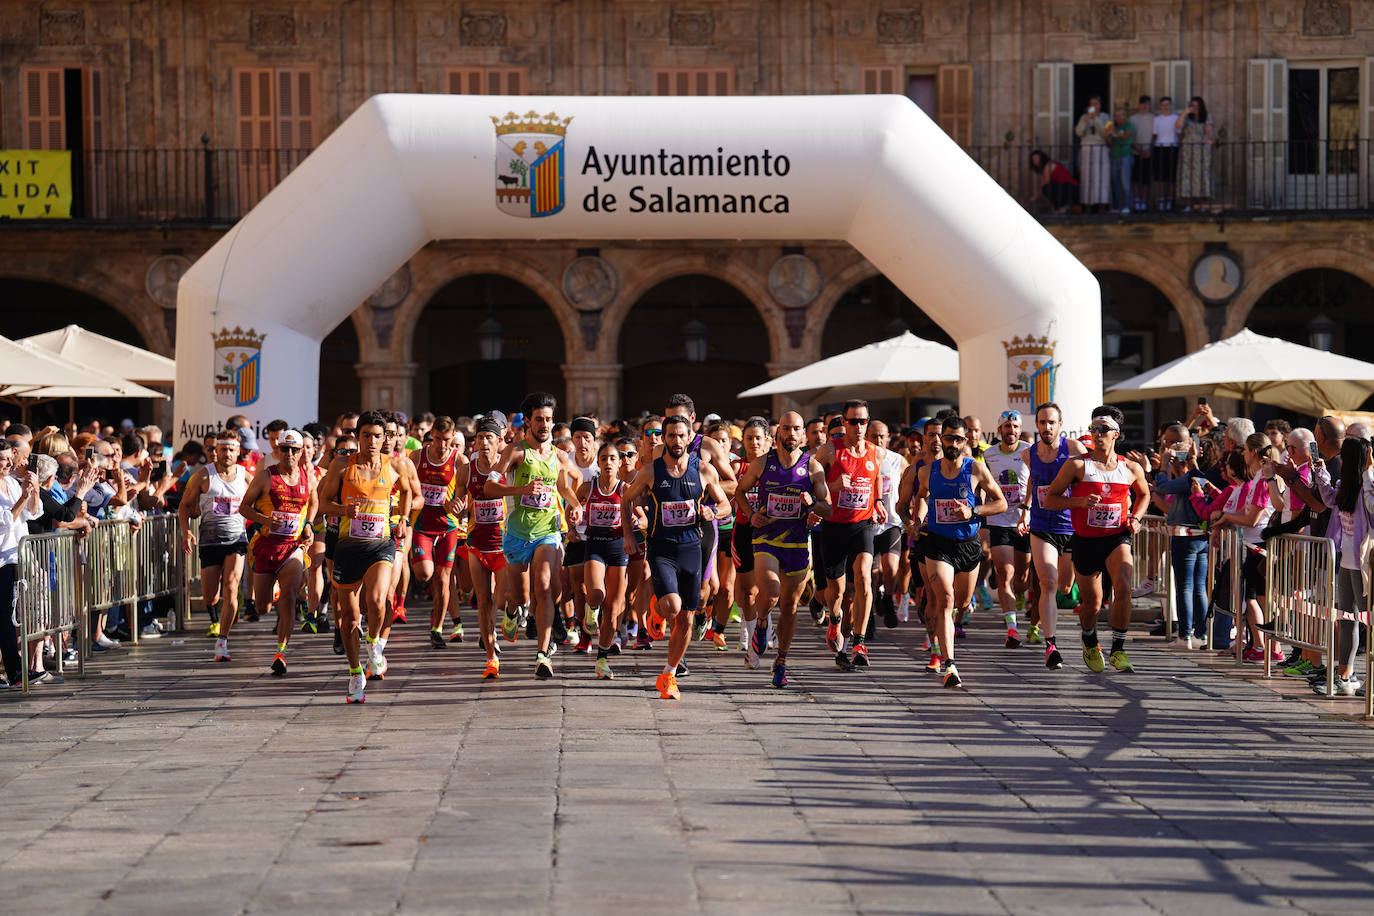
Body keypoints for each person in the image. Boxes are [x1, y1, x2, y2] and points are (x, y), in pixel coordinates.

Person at [621, 414, 726, 700]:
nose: (677, 441)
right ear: (664, 439)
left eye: (682, 435)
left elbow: (725, 503)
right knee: (673, 606)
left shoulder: (704, 470)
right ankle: (658, 606)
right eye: (671, 436)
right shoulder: (652, 471)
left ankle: (669, 673)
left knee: (687, 619)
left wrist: (713, 512)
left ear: (690, 438)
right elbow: (627, 498)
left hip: (692, 549)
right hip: (662, 549)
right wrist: (629, 536)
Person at [1043, 407, 1151, 673]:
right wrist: (1079, 501)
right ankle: (1089, 640)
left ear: (1116, 434)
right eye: (1093, 429)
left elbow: (1144, 495)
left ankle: (1118, 649)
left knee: (1124, 586)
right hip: (1086, 541)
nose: (1097, 434)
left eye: (1103, 430)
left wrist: (1136, 518)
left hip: (1117, 537)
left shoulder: (1131, 468)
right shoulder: (1077, 465)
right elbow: (1050, 499)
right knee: (1091, 602)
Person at [486, 392, 583, 679]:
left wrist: (575, 507)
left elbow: (566, 487)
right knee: (519, 595)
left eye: (549, 420)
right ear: (527, 421)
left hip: (547, 531)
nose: (545, 425)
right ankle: (514, 611)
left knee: (544, 587)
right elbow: (490, 489)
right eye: (539, 419)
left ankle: (543, 654)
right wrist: (520, 491)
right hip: (516, 534)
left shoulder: (559, 455)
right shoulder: (515, 452)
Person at [911, 415, 1008, 688]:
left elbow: (1000, 503)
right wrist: (918, 520)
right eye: (948, 437)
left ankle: (947, 631)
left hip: (968, 545)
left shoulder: (976, 469)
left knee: (961, 604)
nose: (952, 443)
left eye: (958, 439)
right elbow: (921, 498)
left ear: (965, 441)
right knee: (945, 599)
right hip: (938, 544)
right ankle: (949, 664)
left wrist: (973, 510)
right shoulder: (926, 472)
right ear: (940, 439)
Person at [736, 411, 832, 687]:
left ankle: (780, 661)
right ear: (778, 433)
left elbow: (827, 507)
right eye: (786, 429)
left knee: (790, 608)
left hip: (798, 543)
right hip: (765, 539)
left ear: (803, 434)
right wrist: (751, 514)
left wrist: (812, 502)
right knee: (772, 592)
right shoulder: (762, 463)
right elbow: (740, 492)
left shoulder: (813, 468)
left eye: (796, 429)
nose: (791, 434)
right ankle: (762, 622)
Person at [318, 411, 405, 703]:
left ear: (385, 439)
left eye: (377, 436)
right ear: (358, 437)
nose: (371, 441)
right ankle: (355, 672)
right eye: (366, 435)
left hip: (380, 545)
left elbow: (408, 492)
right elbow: (323, 503)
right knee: (349, 619)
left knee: (378, 600)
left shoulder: (394, 466)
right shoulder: (342, 466)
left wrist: (403, 517)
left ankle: (373, 644)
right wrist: (343, 511)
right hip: (347, 547)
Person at [815, 399, 888, 670]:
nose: (858, 426)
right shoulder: (829, 451)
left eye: (863, 421)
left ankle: (859, 641)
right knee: (836, 591)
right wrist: (833, 484)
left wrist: (878, 500)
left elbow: (877, 476)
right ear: (844, 423)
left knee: (865, 577)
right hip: (834, 526)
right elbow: (811, 479)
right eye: (853, 421)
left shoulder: (875, 452)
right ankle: (835, 621)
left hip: (862, 524)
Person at [237, 429, 316, 674]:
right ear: (277, 450)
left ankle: (281, 652)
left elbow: (313, 503)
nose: (289, 454)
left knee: (290, 594)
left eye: (295, 450)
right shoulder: (265, 477)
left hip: (292, 547)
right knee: (262, 608)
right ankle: (276, 590)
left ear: (302, 452)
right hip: (265, 547)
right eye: (285, 449)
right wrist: (265, 520)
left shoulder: (308, 478)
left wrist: (309, 525)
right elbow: (243, 508)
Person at [1312, 437, 1372, 696]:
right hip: (1347, 563)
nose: (1340, 460)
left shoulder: (1368, 486)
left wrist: (1369, 472)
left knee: (1369, 622)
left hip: (1365, 565)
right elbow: (1328, 500)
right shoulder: (1345, 486)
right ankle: (1344, 675)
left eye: (1343, 456)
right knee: (1347, 620)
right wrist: (1320, 471)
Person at [179, 434, 249, 645]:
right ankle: (217, 611)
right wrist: (186, 532)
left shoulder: (245, 476)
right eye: (222, 449)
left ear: (238, 452)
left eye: (231, 450)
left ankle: (223, 639)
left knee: (231, 586)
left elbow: (261, 501)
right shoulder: (203, 476)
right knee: (211, 597)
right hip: (210, 541)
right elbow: (184, 505)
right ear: (215, 451)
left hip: (237, 539)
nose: (226, 454)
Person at [711, 417, 771, 649]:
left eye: (758, 438)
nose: (754, 443)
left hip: (770, 533)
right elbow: (727, 493)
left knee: (768, 586)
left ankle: (765, 624)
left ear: (767, 440)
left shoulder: (775, 466)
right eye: (749, 438)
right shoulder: (737, 467)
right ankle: (749, 632)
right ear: (742, 441)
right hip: (743, 530)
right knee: (746, 590)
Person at [408, 416, 466, 649]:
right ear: (431, 435)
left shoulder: (459, 460)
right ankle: (426, 591)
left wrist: (459, 505)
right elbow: (406, 487)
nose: (443, 445)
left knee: (443, 581)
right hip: (422, 523)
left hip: (448, 527)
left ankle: (437, 628)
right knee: (424, 574)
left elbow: (464, 495)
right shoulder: (417, 457)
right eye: (439, 439)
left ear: (453, 438)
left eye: (447, 440)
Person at [457, 415, 508, 679]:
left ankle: (511, 613)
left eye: (489, 438)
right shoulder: (467, 470)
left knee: (502, 598)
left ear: (500, 442)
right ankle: (491, 658)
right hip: (477, 543)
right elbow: (456, 500)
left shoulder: (509, 467)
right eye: (480, 438)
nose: (484, 443)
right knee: (483, 601)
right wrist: (454, 506)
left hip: (504, 544)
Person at [1151, 424, 1210, 646]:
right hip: (1200, 535)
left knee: (1185, 585)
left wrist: (1164, 467)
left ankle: (1185, 633)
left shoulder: (1189, 479)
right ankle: (1201, 631)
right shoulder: (1201, 474)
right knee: (1198, 586)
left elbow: (1164, 487)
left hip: (1185, 535)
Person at [577, 441, 630, 680]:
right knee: (597, 593)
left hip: (619, 548)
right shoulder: (588, 488)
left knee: (613, 610)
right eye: (604, 458)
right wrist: (572, 522)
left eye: (612, 458)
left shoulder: (627, 489)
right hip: (595, 545)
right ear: (598, 463)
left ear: (619, 463)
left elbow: (642, 518)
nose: (608, 462)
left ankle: (602, 658)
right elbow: (574, 510)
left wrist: (638, 525)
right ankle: (590, 609)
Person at [983, 410, 1031, 648]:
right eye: (1006, 426)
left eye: (1014, 426)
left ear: (1019, 429)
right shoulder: (988, 454)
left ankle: (1021, 593)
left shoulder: (1028, 451)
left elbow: (1036, 481)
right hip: (999, 520)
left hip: (1024, 521)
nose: (1010, 430)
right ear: (999, 429)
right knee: (1006, 573)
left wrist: (1028, 508)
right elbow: (982, 485)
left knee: (1022, 579)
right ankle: (1012, 629)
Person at [0, 440, 41, 688]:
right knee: (4, 617)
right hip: (2, 558)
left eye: (7, 459)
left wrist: (33, 491)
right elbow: (4, 522)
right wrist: (22, 498)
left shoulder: (12, 484)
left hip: (16, 556)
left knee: (10, 616)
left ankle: (16, 670)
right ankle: (15, 671)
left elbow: (33, 514)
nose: (5, 464)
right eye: (0, 460)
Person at [867, 420, 907, 627]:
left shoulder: (897, 460)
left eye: (882, 436)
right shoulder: (862, 459)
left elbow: (909, 486)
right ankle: (870, 616)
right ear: (867, 437)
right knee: (870, 575)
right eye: (874, 436)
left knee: (891, 569)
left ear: (889, 437)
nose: (879, 440)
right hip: (867, 525)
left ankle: (888, 598)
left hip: (891, 522)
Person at [1176, 96, 1214, 211]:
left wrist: (1209, 140)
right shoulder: (1186, 117)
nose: (1195, 108)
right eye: (1193, 105)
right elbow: (1177, 126)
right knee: (1187, 176)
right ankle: (1188, 205)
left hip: (1201, 150)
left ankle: (1200, 205)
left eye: (1197, 105)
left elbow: (1209, 132)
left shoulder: (1206, 116)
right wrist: (1185, 112)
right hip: (1187, 149)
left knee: (1200, 176)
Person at [1074, 96, 1111, 212]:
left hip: (1101, 148)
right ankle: (1088, 205)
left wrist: (1096, 119)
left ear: (1100, 105)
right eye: (1091, 104)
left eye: (1096, 104)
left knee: (1102, 177)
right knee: (1087, 177)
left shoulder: (1106, 117)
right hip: (1086, 148)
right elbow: (1078, 132)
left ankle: (1102, 205)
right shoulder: (1084, 117)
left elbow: (1106, 133)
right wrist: (1086, 120)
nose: (1094, 106)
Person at [1151, 96, 1179, 211]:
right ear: (1160, 106)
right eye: (1163, 105)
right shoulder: (1157, 119)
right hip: (1160, 148)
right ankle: (1161, 201)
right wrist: (1151, 148)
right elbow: (1154, 135)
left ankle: (1170, 201)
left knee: (1172, 178)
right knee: (1160, 178)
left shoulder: (1176, 118)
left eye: (1167, 104)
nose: (1165, 107)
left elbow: (1180, 134)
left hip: (1173, 148)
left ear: (1171, 105)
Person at [1028, 149, 1077, 213]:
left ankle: (1062, 207)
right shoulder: (1046, 167)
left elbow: (1045, 183)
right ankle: (1060, 208)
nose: (1035, 161)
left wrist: (1035, 197)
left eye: (1037, 158)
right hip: (1067, 187)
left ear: (1042, 158)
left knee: (1047, 188)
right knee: (1048, 188)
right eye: (1033, 159)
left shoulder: (1048, 166)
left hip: (1070, 187)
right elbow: (1043, 182)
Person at [1128, 95, 1155, 211]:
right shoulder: (1132, 119)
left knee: (1146, 180)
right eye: (1143, 104)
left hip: (1149, 153)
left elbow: (1155, 135)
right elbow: (1130, 138)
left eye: (1147, 104)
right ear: (1139, 105)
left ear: (1149, 105)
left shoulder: (1154, 118)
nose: (1145, 106)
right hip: (1135, 152)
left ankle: (1144, 201)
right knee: (1135, 179)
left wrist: (1149, 150)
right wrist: (1139, 150)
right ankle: (1136, 200)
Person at [1108, 106, 1136, 214]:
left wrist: (1113, 131)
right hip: (1114, 155)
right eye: (1115, 115)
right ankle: (1116, 206)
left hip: (1125, 156)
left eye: (1120, 115)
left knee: (1126, 182)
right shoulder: (1112, 126)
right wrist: (1108, 134)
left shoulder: (1128, 125)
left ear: (1124, 116)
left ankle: (1127, 206)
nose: (1117, 117)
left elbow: (1125, 137)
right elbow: (1109, 142)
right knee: (1115, 182)